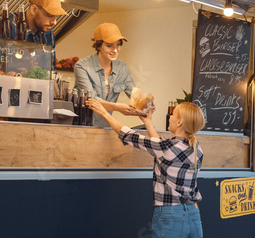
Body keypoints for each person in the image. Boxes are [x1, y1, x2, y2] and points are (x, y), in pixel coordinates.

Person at [86, 99, 205, 238]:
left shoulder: (166, 147)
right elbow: (160, 151)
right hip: (193, 215)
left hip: (171, 217)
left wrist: (105, 114)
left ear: (179, 122)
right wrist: (148, 122)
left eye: (173, 114)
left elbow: (129, 136)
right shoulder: (197, 148)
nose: (170, 116)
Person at [74, 22, 144, 127]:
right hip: (81, 126)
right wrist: (118, 107)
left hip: (105, 127)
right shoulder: (82, 66)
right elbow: (91, 100)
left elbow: (135, 95)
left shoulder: (121, 67)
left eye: (118, 45)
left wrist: (146, 103)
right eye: (109, 46)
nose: (115, 50)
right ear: (98, 45)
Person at [25, 0, 67, 69]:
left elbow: (49, 70)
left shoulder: (48, 32)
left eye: (56, 17)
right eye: (50, 15)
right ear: (33, 9)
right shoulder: (7, 25)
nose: (54, 22)